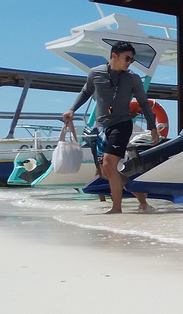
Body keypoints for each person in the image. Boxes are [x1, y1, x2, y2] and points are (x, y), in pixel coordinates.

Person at [63, 42, 158, 214]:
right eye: (127, 58)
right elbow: (85, 92)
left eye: (132, 59)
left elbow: (144, 104)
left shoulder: (132, 78)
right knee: (105, 172)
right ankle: (141, 196)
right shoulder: (96, 73)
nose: (129, 62)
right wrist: (72, 109)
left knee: (109, 164)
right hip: (101, 127)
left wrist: (152, 127)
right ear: (114, 55)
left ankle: (116, 208)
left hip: (121, 124)